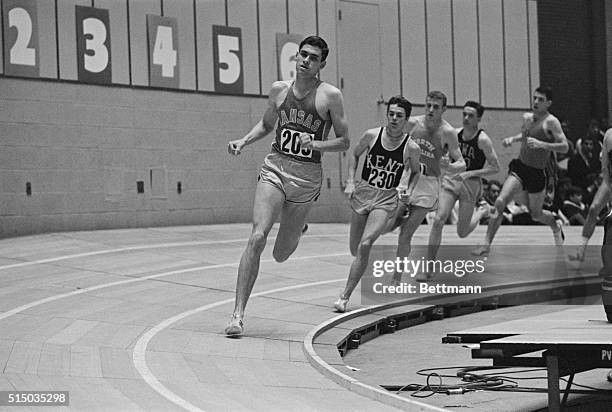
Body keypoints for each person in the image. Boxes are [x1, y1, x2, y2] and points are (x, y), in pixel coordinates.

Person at [224, 36, 349, 336]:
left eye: (313, 58)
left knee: (281, 253)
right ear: (296, 57)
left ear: (322, 64)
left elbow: (344, 141)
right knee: (257, 237)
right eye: (303, 55)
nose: (306, 61)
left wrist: (316, 142)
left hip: (306, 179)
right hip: (276, 168)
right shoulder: (280, 90)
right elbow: (268, 125)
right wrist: (244, 140)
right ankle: (237, 315)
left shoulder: (330, 96)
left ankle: (298, 228)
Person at [333, 96, 421, 312]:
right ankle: (362, 262)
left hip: (386, 199)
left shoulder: (411, 147)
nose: (393, 119)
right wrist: (351, 181)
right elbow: (354, 155)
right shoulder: (372, 135)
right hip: (363, 194)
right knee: (356, 249)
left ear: (406, 119)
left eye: (399, 116)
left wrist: (408, 191)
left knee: (365, 244)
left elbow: (416, 172)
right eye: (391, 114)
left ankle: (344, 297)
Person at [472, 86, 569, 256]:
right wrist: (513, 139)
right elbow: (525, 136)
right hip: (520, 168)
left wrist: (543, 145)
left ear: (548, 103)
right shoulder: (527, 118)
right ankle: (486, 244)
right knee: (500, 202)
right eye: (535, 98)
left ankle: (556, 226)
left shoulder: (551, 122)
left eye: (540, 99)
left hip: (537, 173)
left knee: (535, 214)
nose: (536, 102)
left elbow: (565, 147)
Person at [390, 91, 466, 284]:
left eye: (436, 107)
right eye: (428, 105)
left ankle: (396, 279)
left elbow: (462, 163)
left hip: (429, 185)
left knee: (405, 234)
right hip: (407, 179)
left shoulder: (448, 132)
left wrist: (449, 166)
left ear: (444, 109)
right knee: (387, 226)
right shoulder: (413, 124)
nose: (431, 110)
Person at [423, 101, 500, 281]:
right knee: (438, 220)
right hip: (451, 180)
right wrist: (443, 162)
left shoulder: (482, 140)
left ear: (479, 118)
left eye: (470, 115)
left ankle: (481, 211)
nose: (466, 118)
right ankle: (430, 266)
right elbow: (443, 155)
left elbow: (495, 167)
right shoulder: (455, 134)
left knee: (462, 232)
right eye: (464, 114)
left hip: (470, 184)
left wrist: (470, 173)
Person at [569, 128, 612, 261]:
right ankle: (581, 251)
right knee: (593, 209)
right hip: (609, 179)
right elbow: (604, 164)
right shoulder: (609, 135)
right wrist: (607, 182)